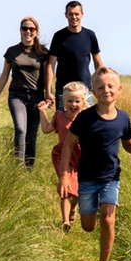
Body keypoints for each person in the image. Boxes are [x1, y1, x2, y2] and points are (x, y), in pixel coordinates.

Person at [59, 67, 131, 261]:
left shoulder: (123, 118)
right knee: (89, 226)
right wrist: (65, 176)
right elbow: (68, 145)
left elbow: (128, 144)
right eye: (101, 87)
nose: (106, 90)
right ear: (94, 92)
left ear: (119, 89)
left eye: (111, 86)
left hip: (111, 176)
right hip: (86, 177)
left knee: (107, 219)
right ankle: (80, 209)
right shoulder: (85, 118)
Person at [0, 16, 48, 167]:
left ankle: (29, 170)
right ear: (20, 30)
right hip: (17, 96)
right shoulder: (12, 51)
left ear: (36, 31)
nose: (28, 31)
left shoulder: (43, 52)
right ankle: (18, 168)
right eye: (25, 28)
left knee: (31, 135)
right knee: (21, 129)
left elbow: (48, 76)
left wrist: (48, 95)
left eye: (31, 29)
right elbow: (4, 76)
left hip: (36, 97)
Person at [37, 81, 89, 232]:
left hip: (81, 156)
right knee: (65, 187)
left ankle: (73, 208)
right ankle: (65, 220)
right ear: (63, 101)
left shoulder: (86, 117)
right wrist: (42, 112)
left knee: (79, 189)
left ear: (83, 102)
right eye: (69, 101)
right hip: (62, 156)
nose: (73, 104)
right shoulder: (59, 116)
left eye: (77, 101)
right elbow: (46, 129)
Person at [44, 0, 103, 110]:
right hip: (64, 91)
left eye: (76, 14)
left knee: (86, 125)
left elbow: (98, 63)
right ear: (66, 15)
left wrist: (101, 86)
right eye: (70, 14)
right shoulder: (58, 36)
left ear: (82, 15)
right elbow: (50, 65)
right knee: (63, 126)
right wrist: (48, 91)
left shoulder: (90, 35)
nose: (74, 17)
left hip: (85, 90)